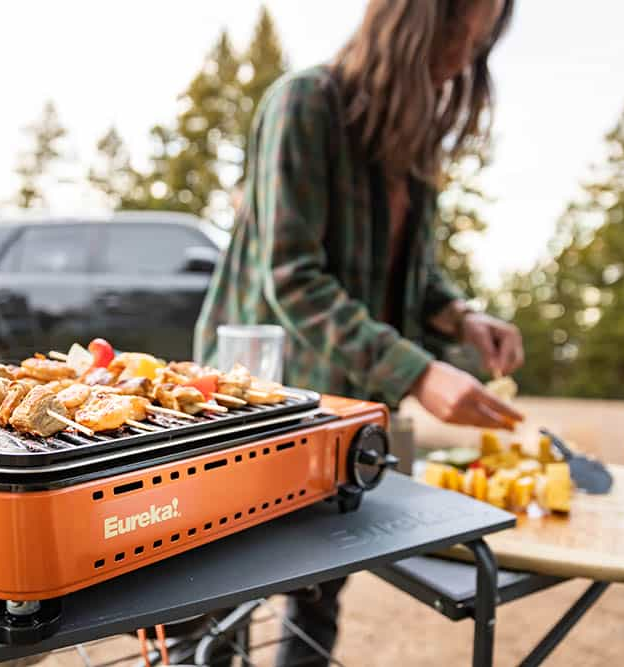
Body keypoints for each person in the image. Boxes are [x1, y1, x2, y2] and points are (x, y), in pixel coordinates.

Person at [194, 1, 520, 664]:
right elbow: (292, 278)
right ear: (408, 17)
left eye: (480, 41)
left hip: (344, 415)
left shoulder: (412, 142)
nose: (462, 55)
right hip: (251, 407)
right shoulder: (304, 106)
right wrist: (418, 371)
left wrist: (463, 317)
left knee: (319, 596)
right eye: (458, 28)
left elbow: (414, 278)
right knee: (219, 609)